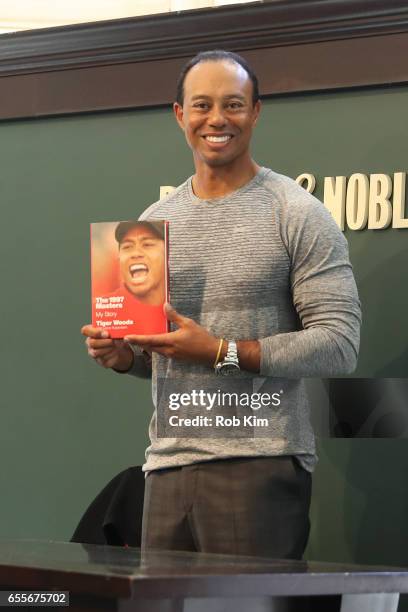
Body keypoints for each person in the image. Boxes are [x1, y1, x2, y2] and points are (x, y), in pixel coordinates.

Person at [82, 50, 361, 559]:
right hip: (166, 464)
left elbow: (338, 345)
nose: (217, 119)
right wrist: (126, 358)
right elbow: (167, 351)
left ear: (255, 112)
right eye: (202, 105)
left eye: (233, 104)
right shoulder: (152, 223)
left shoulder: (296, 213)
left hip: (258, 465)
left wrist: (219, 351)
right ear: (179, 115)